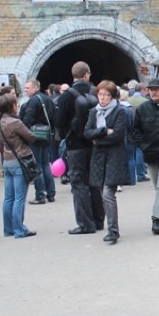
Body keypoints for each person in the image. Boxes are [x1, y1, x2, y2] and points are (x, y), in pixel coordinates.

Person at [55, 62, 106, 235]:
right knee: (95, 182)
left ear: (73, 75)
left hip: (75, 146)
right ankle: (99, 220)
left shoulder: (66, 97)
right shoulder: (96, 93)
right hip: (95, 144)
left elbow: (59, 123)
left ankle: (85, 224)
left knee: (78, 183)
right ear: (86, 74)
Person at [84, 80, 129, 245]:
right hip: (98, 158)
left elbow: (117, 135)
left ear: (112, 96)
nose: (102, 98)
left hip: (114, 157)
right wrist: (102, 131)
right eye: (100, 94)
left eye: (106, 95)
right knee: (103, 193)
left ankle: (113, 231)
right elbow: (87, 133)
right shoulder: (93, 112)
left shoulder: (119, 112)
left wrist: (98, 140)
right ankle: (112, 228)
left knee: (108, 194)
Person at [131, 76, 159, 235]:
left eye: (156, 89)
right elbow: (135, 131)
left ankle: (156, 219)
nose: (154, 92)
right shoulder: (143, 109)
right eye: (151, 89)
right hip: (150, 155)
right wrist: (142, 145)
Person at [0, 87, 37, 239]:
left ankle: (8, 229)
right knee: (19, 198)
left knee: (8, 198)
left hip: (7, 161)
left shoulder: (1, 122)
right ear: (12, 106)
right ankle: (19, 229)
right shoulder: (15, 122)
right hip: (19, 160)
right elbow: (31, 137)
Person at [20, 78, 56, 205]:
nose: (26, 90)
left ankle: (40, 195)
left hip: (35, 137)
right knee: (46, 164)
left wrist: (24, 134)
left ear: (35, 88)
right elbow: (53, 117)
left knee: (37, 166)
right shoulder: (47, 99)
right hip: (46, 135)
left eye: (28, 88)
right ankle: (51, 194)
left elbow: (27, 120)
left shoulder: (32, 101)